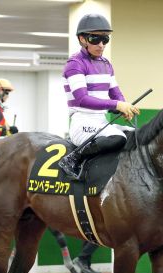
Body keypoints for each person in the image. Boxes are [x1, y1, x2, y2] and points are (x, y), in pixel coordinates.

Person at [58, 13, 140, 179]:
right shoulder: (75, 64)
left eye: (105, 39)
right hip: (82, 122)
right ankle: (73, 158)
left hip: (101, 121)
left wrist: (124, 107)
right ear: (82, 39)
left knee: (137, 136)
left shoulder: (106, 64)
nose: (101, 45)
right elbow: (82, 99)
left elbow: (116, 94)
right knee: (117, 138)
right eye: (95, 39)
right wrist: (116, 105)